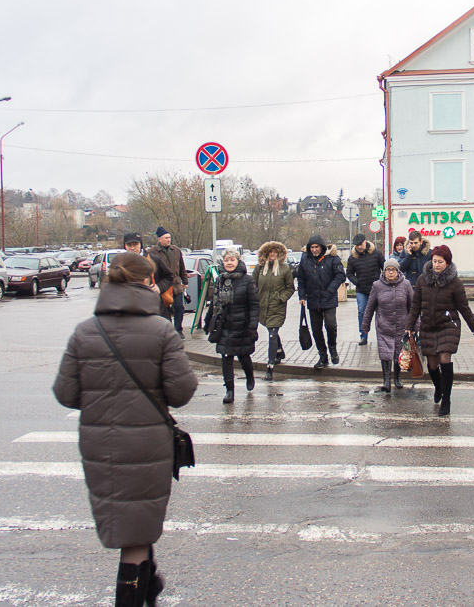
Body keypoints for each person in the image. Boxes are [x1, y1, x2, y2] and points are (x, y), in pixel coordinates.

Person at [53, 252, 198, 606]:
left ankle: (150, 584)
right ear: (148, 282)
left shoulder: (85, 331)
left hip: (99, 443)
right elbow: (181, 392)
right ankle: (135, 590)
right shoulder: (161, 331)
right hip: (148, 444)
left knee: (132, 523)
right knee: (135, 534)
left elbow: (66, 393)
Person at [405, 245, 474, 416]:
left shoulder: (455, 283)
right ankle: (439, 386)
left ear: (447, 262)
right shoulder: (423, 280)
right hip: (428, 326)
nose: (437, 264)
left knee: (445, 358)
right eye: (434, 261)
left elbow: (464, 307)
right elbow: (415, 306)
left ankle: (446, 399)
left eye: (440, 261)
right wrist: (409, 327)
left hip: (448, 325)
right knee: (432, 365)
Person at [204, 249, 259, 403]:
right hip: (224, 326)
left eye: (232, 260)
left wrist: (252, 327)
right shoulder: (220, 280)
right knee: (226, 357)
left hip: (242, 326)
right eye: (226, 260)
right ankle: (230, 390)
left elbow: (254, 305)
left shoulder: (248, 280)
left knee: (244, 356)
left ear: (238, 261)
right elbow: (214, 303)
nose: (229, 263)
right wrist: (208, 321)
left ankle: (249, 375)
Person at [361, 258, 413, 392]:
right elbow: (370, 307)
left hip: (401, 325)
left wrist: (415, 326)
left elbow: (413, 307)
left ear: (398, 271)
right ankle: (386, 380)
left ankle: (397, 378)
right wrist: (365, 326)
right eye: (388, 270)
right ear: (384, 271)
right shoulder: (377, 286)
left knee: (398, 353)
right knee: (385, 353)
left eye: (393, 270)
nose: (391, 272)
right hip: (384, 325)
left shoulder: (406, 284)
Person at [296, 234, 346, 370]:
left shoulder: (332, 258)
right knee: (316, 330)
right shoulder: (305, 259)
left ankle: (332, 348)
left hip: (328, 298)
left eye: (316, 247)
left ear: (322, 247)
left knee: (330, 326)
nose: (314, 250)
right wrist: (302, 296)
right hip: (313, 299)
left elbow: (341, 275)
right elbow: (301, 279)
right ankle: (322, 355)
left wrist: (330, 289)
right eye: (311, 247)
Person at [255, 240, 294, 382]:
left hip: (277, 307)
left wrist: (281, 298)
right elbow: (253, 285)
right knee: (271, 331)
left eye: (275, 253)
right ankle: (279, 351)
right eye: (270, 252)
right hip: (262, 307)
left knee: (272, 334)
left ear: (279, 254)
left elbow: (290, 288)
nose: (272, 255)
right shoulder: (259, 269)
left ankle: (270, 367)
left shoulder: (284, 269)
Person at [346, 233, 386, 345]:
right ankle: (363, 336)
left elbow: (385, 268)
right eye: (357, 245)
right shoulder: (353, 258)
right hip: (361, 290)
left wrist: (382, 282)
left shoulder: (376, 254)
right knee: (362, 311)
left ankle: (382, 336)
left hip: (377, 289)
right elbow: (349, 273)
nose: (359, 247)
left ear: (365, 242)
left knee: (381, 313)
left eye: (361, 244)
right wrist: (357, 281)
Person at [148, 227, 188, 338]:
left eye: (169, 238)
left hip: (176, 285)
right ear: (159, 239)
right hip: (163, 286)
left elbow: (182, 267)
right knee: (165, 310)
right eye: (166, 238)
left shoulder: (176, 250)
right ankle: (169, 331)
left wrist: (184, 280)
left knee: (179, 307)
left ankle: (178, 330)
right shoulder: (153, 252)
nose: (168, 240)